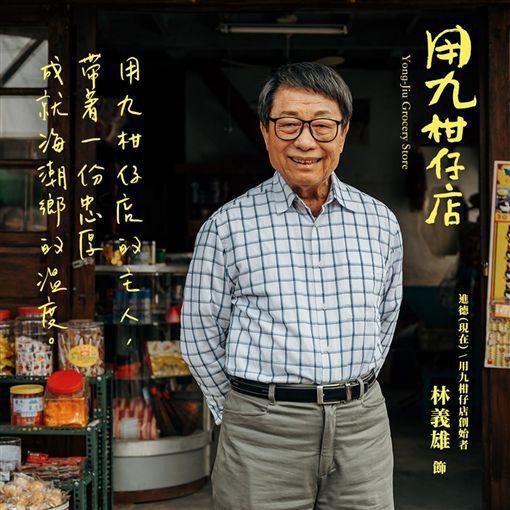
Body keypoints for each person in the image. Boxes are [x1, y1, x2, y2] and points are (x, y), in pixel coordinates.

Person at [180, 61, 403, 510]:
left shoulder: (380, 222)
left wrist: (351, 392)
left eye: (322, 125)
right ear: (266, 132)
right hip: (262, 434)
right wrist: (244, 411)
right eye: (288, 124)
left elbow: (385, 316)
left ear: (343, 133)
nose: (305, 141)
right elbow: (199, 334)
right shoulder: (227, 226)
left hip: (362, 429)